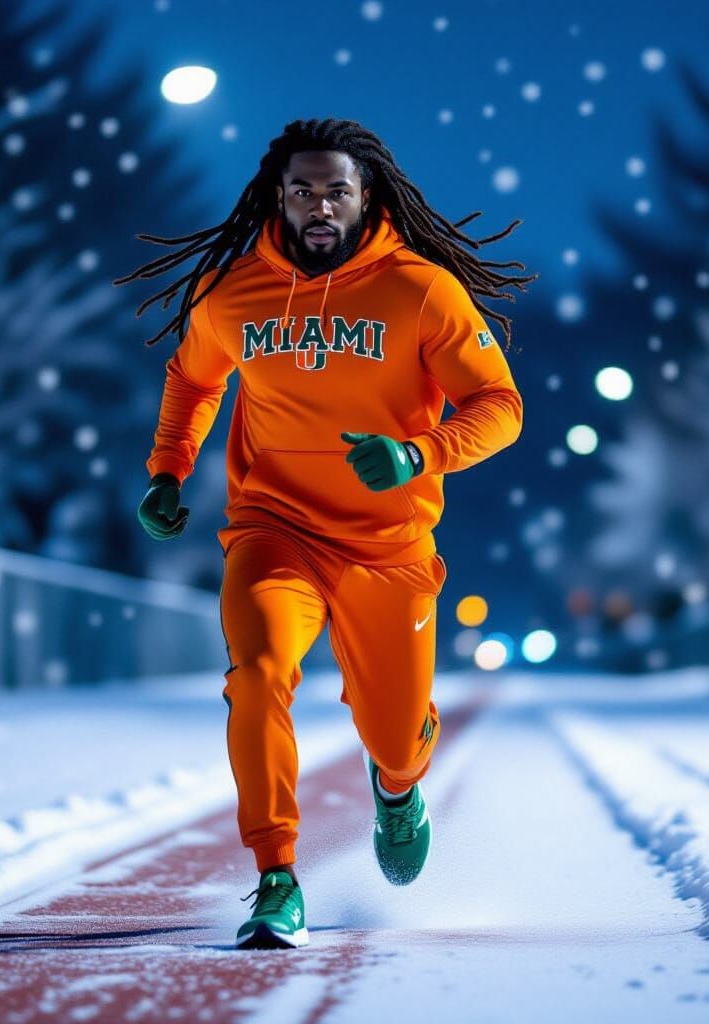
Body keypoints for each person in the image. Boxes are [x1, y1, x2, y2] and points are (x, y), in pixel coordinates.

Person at [115, 117, 535, 950]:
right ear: (279, 195)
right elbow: (193, 377)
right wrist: (167, 469)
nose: (317, 206)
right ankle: (276, 877)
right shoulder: (234, 291)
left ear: (365, 196)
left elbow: (502, 409)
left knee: (393, 729)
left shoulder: (420, 289)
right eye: (302, 190)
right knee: (259, 673)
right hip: (274, 529)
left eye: (335, 191)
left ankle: (398, 782)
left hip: (389, 547)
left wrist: (420, 454)